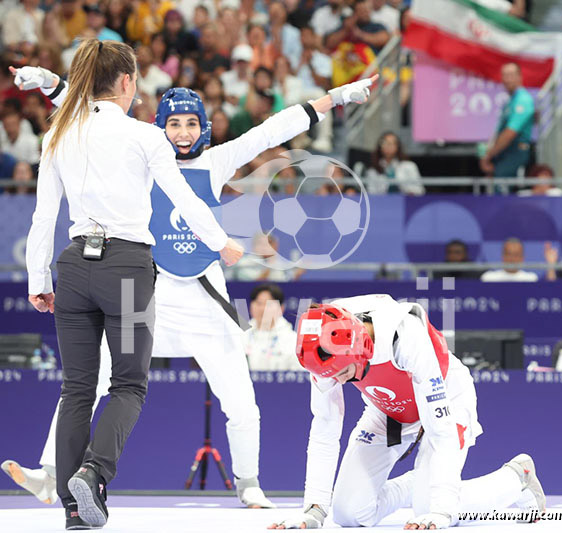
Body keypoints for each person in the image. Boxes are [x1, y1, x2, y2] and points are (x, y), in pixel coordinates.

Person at [5, 60, 377, 523]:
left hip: (205, 298)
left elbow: (273, 130)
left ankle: (248, 483)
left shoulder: (216, 160)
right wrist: (49, 84)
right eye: (174, 124)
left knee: (240, 399)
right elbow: (90, 114)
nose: (183, 133)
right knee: (91, 380)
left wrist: (337, 97)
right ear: (159, 126)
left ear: (204, 127)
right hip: (150, 293)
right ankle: (50, 473)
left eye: (192, 123)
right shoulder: (139, 147)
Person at [10, 40, 241, 531]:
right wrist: (222, 241)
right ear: (129, 83)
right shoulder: (145, 137)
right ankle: (93, 474)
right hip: (129, 269)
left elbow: (42, 216)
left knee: (77, 389)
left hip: (72, 267)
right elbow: (184, 197)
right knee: (129, 384)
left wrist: (36, 278)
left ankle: (75, 512)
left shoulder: (58, 134)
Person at [270, 296, 545, 529]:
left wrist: (441, 511)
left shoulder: (405, 336)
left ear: (361, 349)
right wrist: (314, 509)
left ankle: (516, 477)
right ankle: (421, 482)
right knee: (348, 513)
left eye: (344, 373)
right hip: (387, 408)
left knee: (431, 504)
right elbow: (324, 428)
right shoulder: (323, 348)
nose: (339, 382)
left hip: (447, 399)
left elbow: (440, 428)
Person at [480, 63, 534, 179]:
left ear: (520, 76)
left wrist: (489, 155)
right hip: (504, 152)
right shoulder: (510, 101)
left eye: (511, 75)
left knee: (502, 187)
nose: (507, 79)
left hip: (515, 152)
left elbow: (510, 133)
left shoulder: (523, 99)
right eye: (504, 75)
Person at [244, 284, 300, 371]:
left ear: (281, 308)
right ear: (251, 306)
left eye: (268, 304)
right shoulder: (241, 336)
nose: (262, 309)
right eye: (259, 303)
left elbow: (299, 374)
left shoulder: (292, 339)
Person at [325, 0, 390, 54]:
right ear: (355, 12)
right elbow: (329, 43)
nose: (365, 13)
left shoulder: (376, 26)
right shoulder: (347, 27)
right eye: (361, 11)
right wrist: (346, 30)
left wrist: (359, 34)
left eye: (367, 10)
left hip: (370, 65)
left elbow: (384, 39)